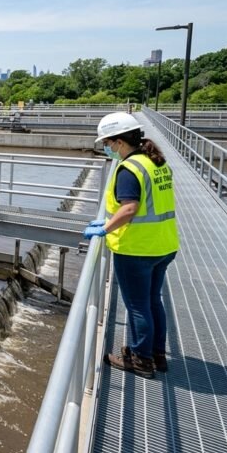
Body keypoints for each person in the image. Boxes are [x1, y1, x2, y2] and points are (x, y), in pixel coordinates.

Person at [83, 112, 178, 379]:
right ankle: (157, 354)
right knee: (152, 300)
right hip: (164, 244)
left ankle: (141, 359)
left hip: (137, 248)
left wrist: (104, 228)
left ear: (120, 142)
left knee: (138, 305)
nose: (107, 148)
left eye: (108, 143)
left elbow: (130, 208)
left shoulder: (129, 169)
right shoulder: (155, 162)